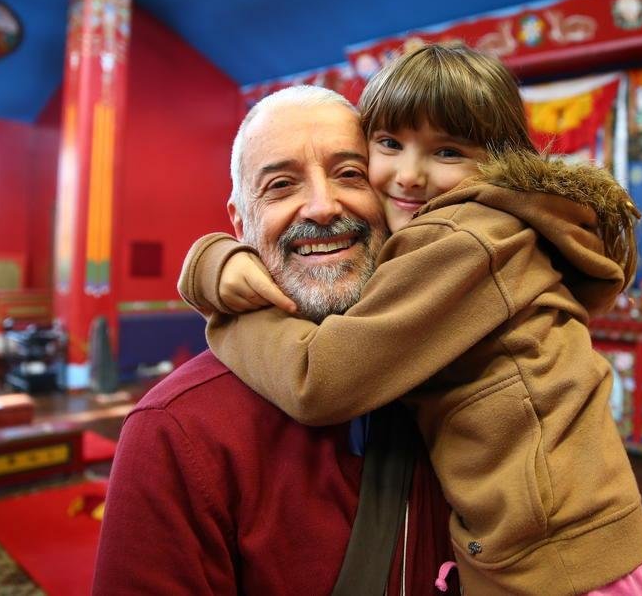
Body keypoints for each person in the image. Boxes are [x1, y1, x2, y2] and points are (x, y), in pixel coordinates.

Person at [180, 44, 642, 595]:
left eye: (448, 152)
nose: (409, 176)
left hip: (567, 569)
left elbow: (321, 379)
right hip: (559, 553)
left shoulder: (463, 238)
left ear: (498, 163)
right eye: (389, 144)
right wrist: (224, 256)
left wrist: (223, 305)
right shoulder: (478, 229)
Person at [93, 86, 455, 595]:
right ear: (240, 223)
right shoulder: (176, 433)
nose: (323, 207)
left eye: (350, 174)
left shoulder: (466, 367)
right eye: (281, 185)